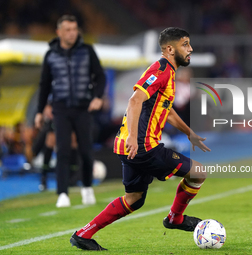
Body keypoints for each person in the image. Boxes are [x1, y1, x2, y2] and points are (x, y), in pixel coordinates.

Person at [70, 27, 210, 251]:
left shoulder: (168, 73)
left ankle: (83, 234)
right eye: (185, 44)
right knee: (199, 172)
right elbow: (135, 100)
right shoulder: (161, 69)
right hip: (145, 147)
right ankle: (175, 218)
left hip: (131, 147)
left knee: (134, 198)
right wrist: (134, 139)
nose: (190, 49)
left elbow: (167, 110)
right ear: (170, 49)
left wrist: (189, 133)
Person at [34, 15, 106, 207]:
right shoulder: (51, 55)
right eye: (67, 29)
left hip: (83, 108)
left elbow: (100, 76)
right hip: (61, 108)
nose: (72, 33)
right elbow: (44, 85)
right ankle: (62, 193)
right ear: (59, 32)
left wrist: (98, 97)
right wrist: (40, 111)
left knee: (85, 150)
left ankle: (87, 187)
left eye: (74, 29)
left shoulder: (87, 51)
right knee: (63, 150)